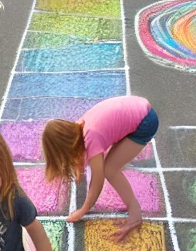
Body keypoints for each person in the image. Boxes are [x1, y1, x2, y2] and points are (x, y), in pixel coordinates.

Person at [42, 95, 158, 240]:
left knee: (110, 169)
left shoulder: (92, 137)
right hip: (137, 105)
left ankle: (135, 212)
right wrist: (79, 167)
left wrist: (83, 210)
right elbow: (82, 151)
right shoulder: (79, 126)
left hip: (145, 122)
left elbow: (98, 179)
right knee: (106, 159)